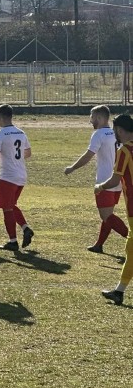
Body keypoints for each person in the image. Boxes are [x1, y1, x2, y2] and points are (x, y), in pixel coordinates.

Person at [66, 105, 129, 252]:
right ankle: (99, 244)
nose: (90, 121)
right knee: (108, 216)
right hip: (117, 181)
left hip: (104, 182)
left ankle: (130, 238)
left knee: (106, 215)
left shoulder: (99, 134)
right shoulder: (117, 133)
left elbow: (88, 155)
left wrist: (72, 168)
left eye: (92, 117)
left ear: (100, 118)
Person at [0, 104, 33, 251]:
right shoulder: (21, 132)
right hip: (21, 175)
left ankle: (12, 241)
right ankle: (25, 228)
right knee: (11, 205)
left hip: (8, 176)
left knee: (7, 208)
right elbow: (28, 153)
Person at [96, 114, 133, 305]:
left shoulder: (125, 150)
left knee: (132, 250)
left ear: (119, 130)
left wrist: (100, 186)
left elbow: (115, 180)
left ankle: (119, 292)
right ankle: (119, 291)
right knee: (130, 250)